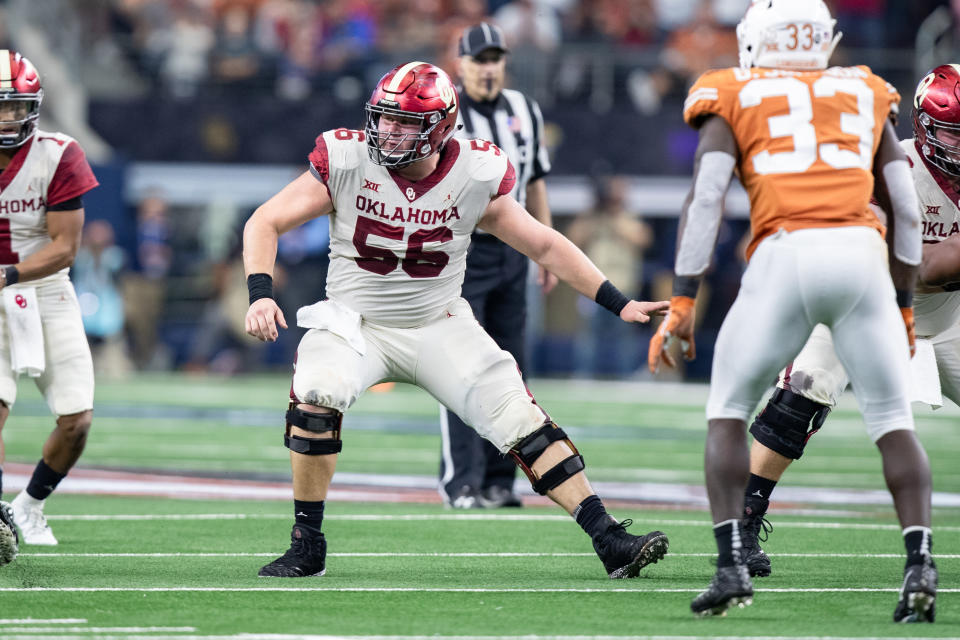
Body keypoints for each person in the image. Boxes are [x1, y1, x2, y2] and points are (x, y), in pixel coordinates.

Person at [243, 61, 670, 580]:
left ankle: (609, 538)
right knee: (317, 389)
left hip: (438, 324)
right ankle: (306, 542)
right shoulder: (347, 157)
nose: (387, 131)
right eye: (384, 118)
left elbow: (543, 243)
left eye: (404, 122)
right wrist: (260, 294)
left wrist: (618, 301)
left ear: (442, 128)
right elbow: (265, 220)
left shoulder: (475, 171)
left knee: (518, 415)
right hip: (355, 324)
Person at [647, 0, 936, 620]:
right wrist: (905, 306)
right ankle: (920, 563)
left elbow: (705, 201)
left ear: (755, 40)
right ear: (823, 42)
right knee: (892, 421)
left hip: (786, 250)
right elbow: (907, 211)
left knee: (726, 410)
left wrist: (683, 297)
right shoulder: (865, 89)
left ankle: (730, 567)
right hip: (862, 255)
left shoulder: (730, 90)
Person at [733, 63, 960, 622]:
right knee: (803, 392)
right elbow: (918, 265)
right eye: (956, 132)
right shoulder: (891, 168)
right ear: (926, 128)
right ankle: (743, 518)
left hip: (950, 314)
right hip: (867, 303)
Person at [437, 22, 558, 510]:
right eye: (478, 60)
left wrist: (543, 249)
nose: (487, 69)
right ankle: (460, 481)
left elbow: (538, 183)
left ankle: (499, 480)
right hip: (462, 249)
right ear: (460, 63)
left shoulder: (524, 110)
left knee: (510, 367)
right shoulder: (446, 113)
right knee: (461, 367)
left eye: (494, 60)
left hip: (513, 248)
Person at [0, 50, 100, 558]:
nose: (8, 118)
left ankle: (30, 505)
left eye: (16, 108)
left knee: (77, 420)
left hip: (44, 288)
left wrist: (8, 273)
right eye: (0, 107)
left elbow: (64, 246)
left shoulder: (58, 153)